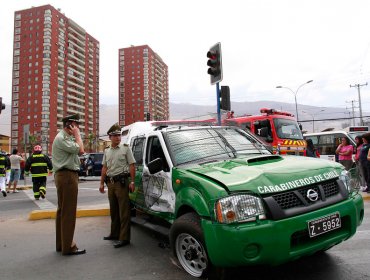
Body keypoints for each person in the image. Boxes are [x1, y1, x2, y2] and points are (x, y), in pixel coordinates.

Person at [52, 114, 86, 255]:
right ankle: (68, 247)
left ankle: (62, 244)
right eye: (76, 125)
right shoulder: (61, 138)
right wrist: (78, 135)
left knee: (62, 211)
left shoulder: (65, 138)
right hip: (67, 176)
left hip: (64, 175)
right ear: (70, 125)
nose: (78, 127)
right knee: (68, 212)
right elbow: (81, 150)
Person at [99, 123, 136, 248]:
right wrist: (101, 183)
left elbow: (132, 165)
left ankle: (124, 238)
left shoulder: (125, 148)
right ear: (110, 137)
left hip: (122, 183)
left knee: (124, 212)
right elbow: (104, 167)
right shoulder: (107, 151)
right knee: (113, 210)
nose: (118, 138)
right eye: (115, 136)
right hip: (110, 183)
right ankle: (114, 233)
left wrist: (132, 181)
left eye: (119, 135)